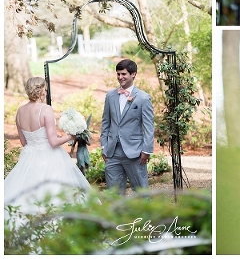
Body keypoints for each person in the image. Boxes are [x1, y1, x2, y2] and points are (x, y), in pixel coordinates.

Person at [4, 77, 91, 226]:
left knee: (28, 193)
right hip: (49, 157)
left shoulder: (20, 111)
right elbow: (52, 142)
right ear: (41, 90)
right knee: (54, 192)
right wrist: (70, 136)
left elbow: (24, 142)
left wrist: (43, 138)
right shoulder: (46, 109)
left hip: (29, 157)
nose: (46, 91)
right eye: (45, 88)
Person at [100, 58, 155, 195]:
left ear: (133, 74)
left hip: (135, 152)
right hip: (112, 152)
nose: (120, 77)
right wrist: (103, 146)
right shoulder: (110, 95)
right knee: (113, 192)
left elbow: (149, 127)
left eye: (123, 74)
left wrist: (146, 150)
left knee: (141, 191)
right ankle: (116, 216)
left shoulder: (143, 98)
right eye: (118, 74)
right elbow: (106, 122)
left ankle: (145, 216)